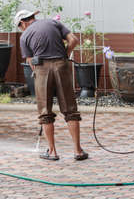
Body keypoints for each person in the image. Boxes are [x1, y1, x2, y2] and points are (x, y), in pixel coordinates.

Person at [15, 9, 88, 161]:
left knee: (45, 111)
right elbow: (73, 40)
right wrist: (64, 56)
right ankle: (78, 151)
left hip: (42, 69)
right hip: (62, 65)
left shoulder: (24, 37)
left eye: (19, 26)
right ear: (33, 17)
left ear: (22, 23)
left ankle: (53, 152)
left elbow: (31, 62)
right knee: (70, 109)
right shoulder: (53, 23)